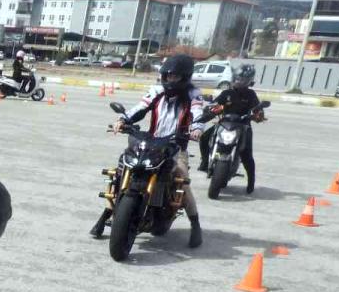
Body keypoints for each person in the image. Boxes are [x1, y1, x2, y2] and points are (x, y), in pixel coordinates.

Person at [90, 53, 205, 248]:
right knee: (122, 169)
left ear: (184, 77)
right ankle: (107, 213)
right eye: (168, 76)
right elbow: (140, 108)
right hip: (152, 142)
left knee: (181, 176)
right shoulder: (157, 91)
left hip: (176, 146)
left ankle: (195, 224)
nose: (170, 80)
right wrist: (124, 120)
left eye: (175, 77)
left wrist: (196, 129)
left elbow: (198, 112)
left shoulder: (193, 94)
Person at [198, 63, 266, 194]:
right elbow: (216, 104)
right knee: (204, 138)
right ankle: (205, 161)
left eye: (242, 79)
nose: (238, 81)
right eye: (237, 78)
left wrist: (258, 114)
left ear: (248, 81)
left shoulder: (251, 95)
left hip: (243, 126)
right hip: (224, 124)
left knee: (247, 154)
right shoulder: (226, 93)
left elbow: (258, 109)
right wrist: (211, 108)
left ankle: (251, 181)